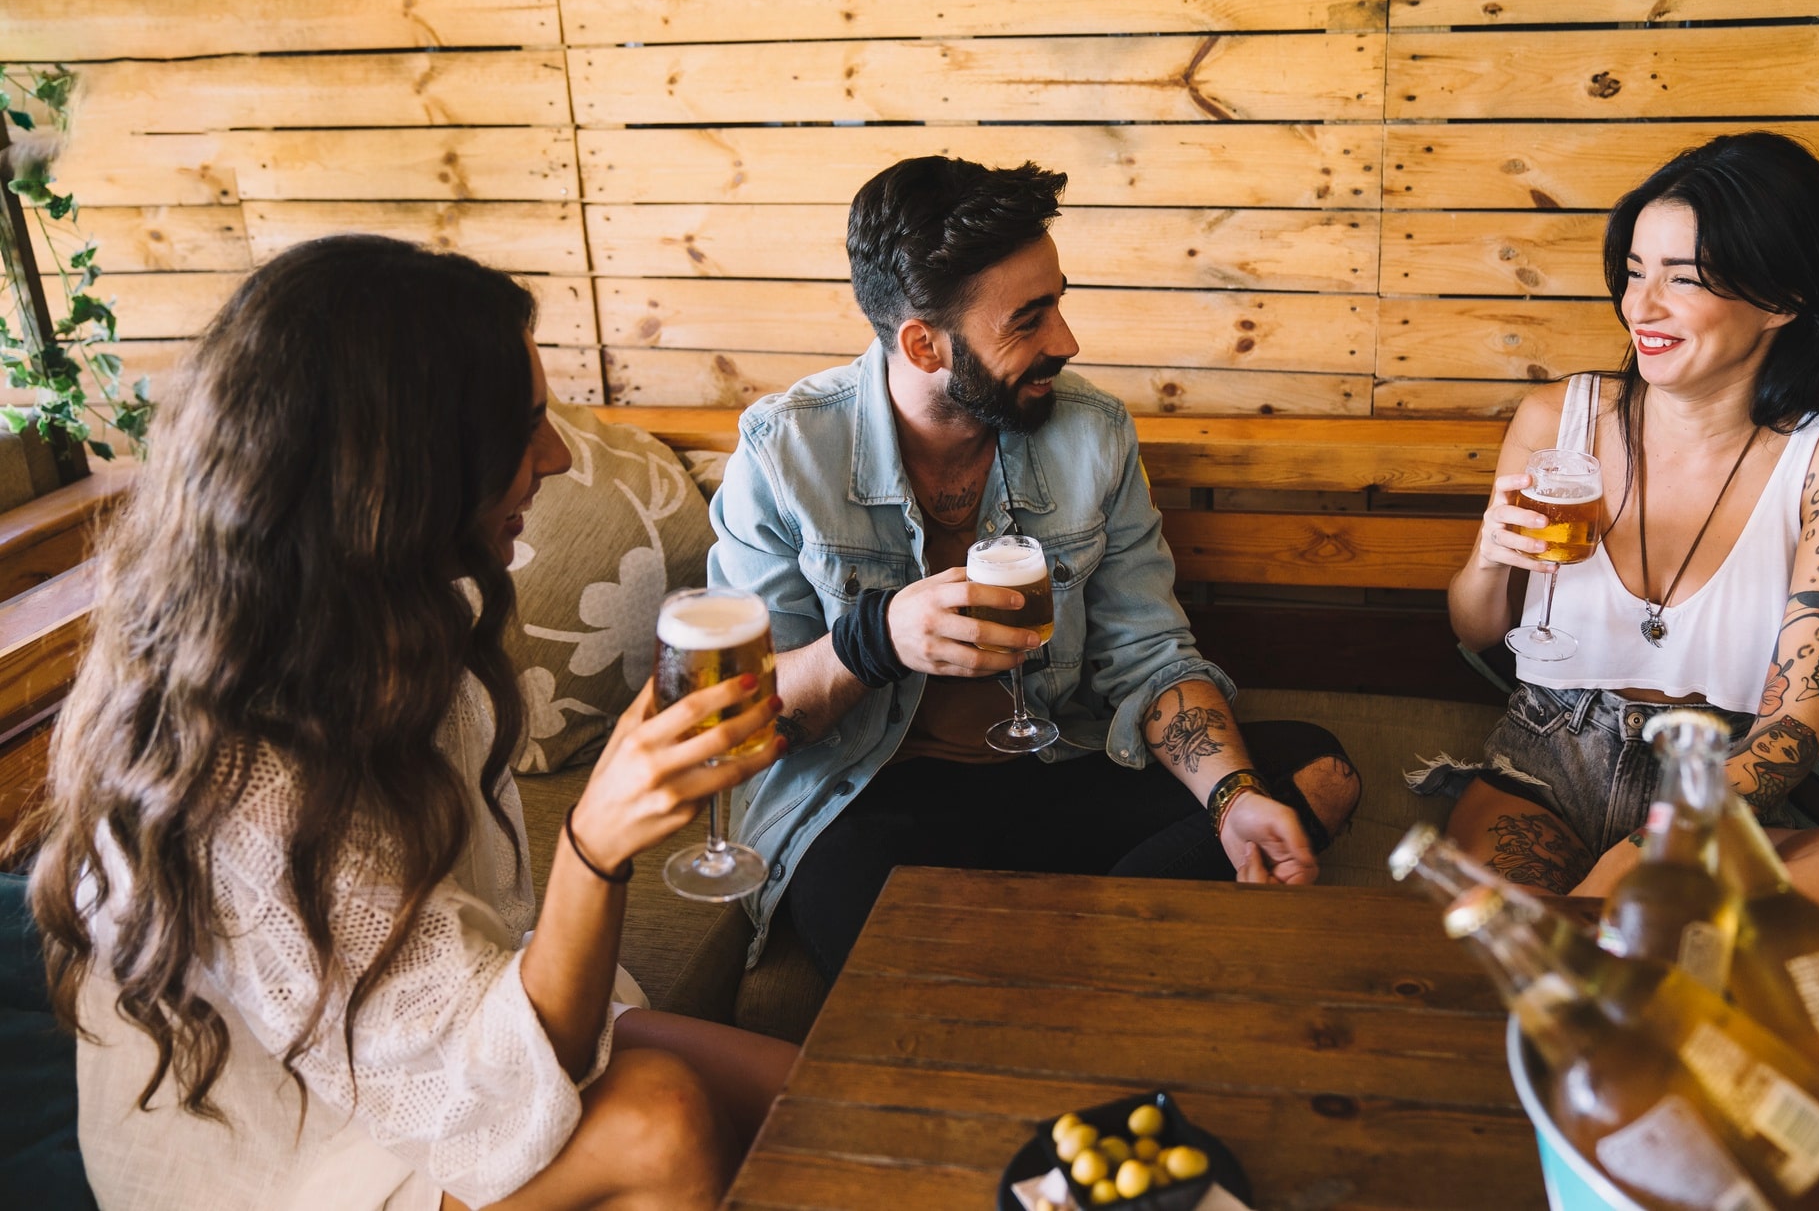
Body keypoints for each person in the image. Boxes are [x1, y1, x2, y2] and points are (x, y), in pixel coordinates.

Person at [29, 237, 797, 1211]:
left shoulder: (389, 621)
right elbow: (474, 1096)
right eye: (523, 429)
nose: (556, 456)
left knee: (813, 1091)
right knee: (660, 1119)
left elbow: (465, 978)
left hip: (421, 1039)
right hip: (278, 1158)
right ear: (398, 471)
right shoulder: (242, 779)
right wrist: (594, 846)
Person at [707, 157, 1362, 981]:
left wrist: (1231, 797)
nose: (1067, 340)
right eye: (1029, 319)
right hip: (873, 806)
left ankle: (1050, 962)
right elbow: (743, 721)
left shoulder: (1092, 433)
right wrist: (874, 640)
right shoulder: (784, 453)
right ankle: (1100, 949)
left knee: (1316, 772)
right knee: (867, 912)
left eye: (1059, 300)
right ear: (923, 343)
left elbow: (1151, 656)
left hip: (1055, 769)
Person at [1416, 132, 1819, 904]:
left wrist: (1651, 846)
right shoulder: (1555, 419)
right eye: (1635, 273)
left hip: (1713, 783)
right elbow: (1475, 630)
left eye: (1683, 278)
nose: (1641, 306)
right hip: (1547, 762)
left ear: (1781, 298)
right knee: (1539, 949)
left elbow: (1798, 718)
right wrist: (1488, 558)